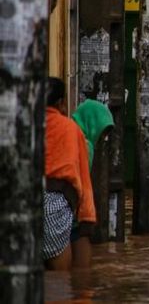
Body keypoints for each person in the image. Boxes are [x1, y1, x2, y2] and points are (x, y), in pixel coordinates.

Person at [44, 77, 95, 270]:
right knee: (59, 279)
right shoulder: (70, 129)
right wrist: (87, 218)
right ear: (61, 102)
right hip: (55, 203)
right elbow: (82, 176)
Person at [71, 99, 114, 267]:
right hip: (73, 204)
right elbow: (81, 178)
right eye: (103, 132)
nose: (103, 138)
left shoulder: (68, 132)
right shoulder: (85, 144)